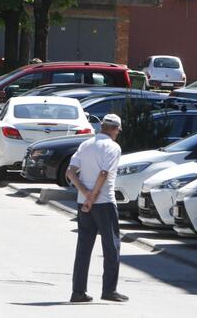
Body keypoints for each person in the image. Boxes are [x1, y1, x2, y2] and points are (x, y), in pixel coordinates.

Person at [65, 113, 127, 303]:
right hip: (104, 202)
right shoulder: (113, 147)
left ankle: (78, 292)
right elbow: (103, 173)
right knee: (111, 246)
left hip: (83, 202)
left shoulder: (86, 145)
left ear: (102, 127)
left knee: (84, 247)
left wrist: (85, 193)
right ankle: (109, 290)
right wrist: (93, 196)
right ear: (115, 129)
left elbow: (70, 172)